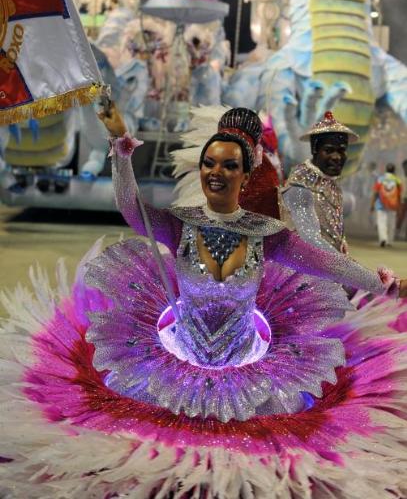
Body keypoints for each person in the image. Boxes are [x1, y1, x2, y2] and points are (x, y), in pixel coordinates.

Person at [1, 105, 407, 499]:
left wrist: (382, 283)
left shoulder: (267, 235)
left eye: (230, 165)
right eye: (210, 163)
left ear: (246, 175)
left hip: (247, 369)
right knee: (140, 460)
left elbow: (328, 264)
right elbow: (131, 208)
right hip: (174, 359)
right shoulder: (179, 223)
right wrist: (121, 156)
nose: (217, 172)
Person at [281, 111, 356, 254]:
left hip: (331, 268)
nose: (336, 157)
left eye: (342, 150)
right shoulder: (299, 187)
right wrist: (354, 272)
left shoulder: (333, 184)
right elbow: (310, 239)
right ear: (314, 149)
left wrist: (342, 241)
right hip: (305, 271)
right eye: (329, 150)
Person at [371, 163, 402, 247]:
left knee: (381, 222)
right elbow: (399, 195)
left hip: (381, 204)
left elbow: (375, 193)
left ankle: (383, 239)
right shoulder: (397, 180)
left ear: (386, 170)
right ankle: (390, 241)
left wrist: (372, 204)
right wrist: (399, 207)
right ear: (394, 170)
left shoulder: (380, 179)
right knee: (391, 223)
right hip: (393, 205)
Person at [396, 159, 407, 239]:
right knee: (400, 217)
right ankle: (397, 231)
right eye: (405, 167)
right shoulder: (399, 178)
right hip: (402, 200)